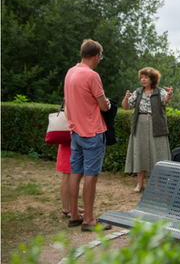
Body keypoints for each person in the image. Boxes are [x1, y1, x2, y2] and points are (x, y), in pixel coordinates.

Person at [64, 39, 112, 232]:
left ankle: (75, 215)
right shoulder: (92, 76)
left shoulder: (70, 72)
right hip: (92, 132)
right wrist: (107, 103)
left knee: (75, 174)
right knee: (91, 176)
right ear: (96, 56)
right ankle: (89, 220)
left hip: (75, 132)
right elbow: (102, 105)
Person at [122, 67, 173, 193]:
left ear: (152, 79)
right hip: (139, 124)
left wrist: (170, 94)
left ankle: (156, 185)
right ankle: (140, 184)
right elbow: (126, 107)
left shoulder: (159, 91)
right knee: (140, 152)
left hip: (156, 125)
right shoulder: (138, 92)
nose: (143, 80)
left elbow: (166, 100)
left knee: (157, 154)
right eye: (142, 77)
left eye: (146, 77)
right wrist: (125, 97)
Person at [57, 144, 85, 217]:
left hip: (71, 145)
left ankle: (72, 207)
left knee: (71, 175)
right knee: (67, 175)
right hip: (68, 145)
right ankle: (67, 209)